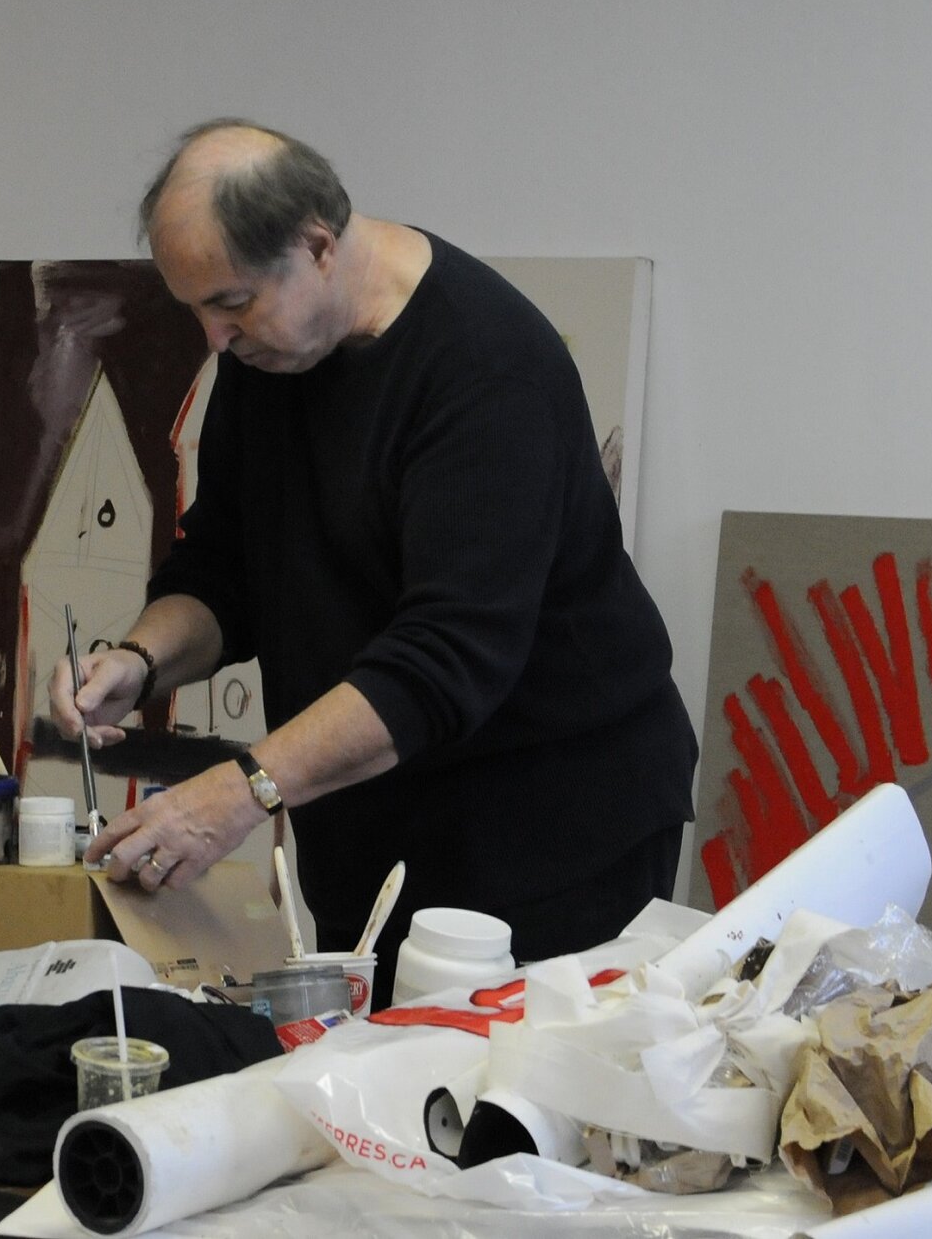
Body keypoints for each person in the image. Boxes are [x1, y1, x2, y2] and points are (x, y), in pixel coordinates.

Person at [52, 119, 697, 997]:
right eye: (197, 307)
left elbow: (442, 664)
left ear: (318, 243)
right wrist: (140, 660)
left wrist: (240, 792)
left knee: (509, 1112)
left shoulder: (486, 369)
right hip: (377, 818)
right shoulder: (270, 352)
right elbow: (223, 564)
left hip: (551, 824)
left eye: (232, 302)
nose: (213, 338)